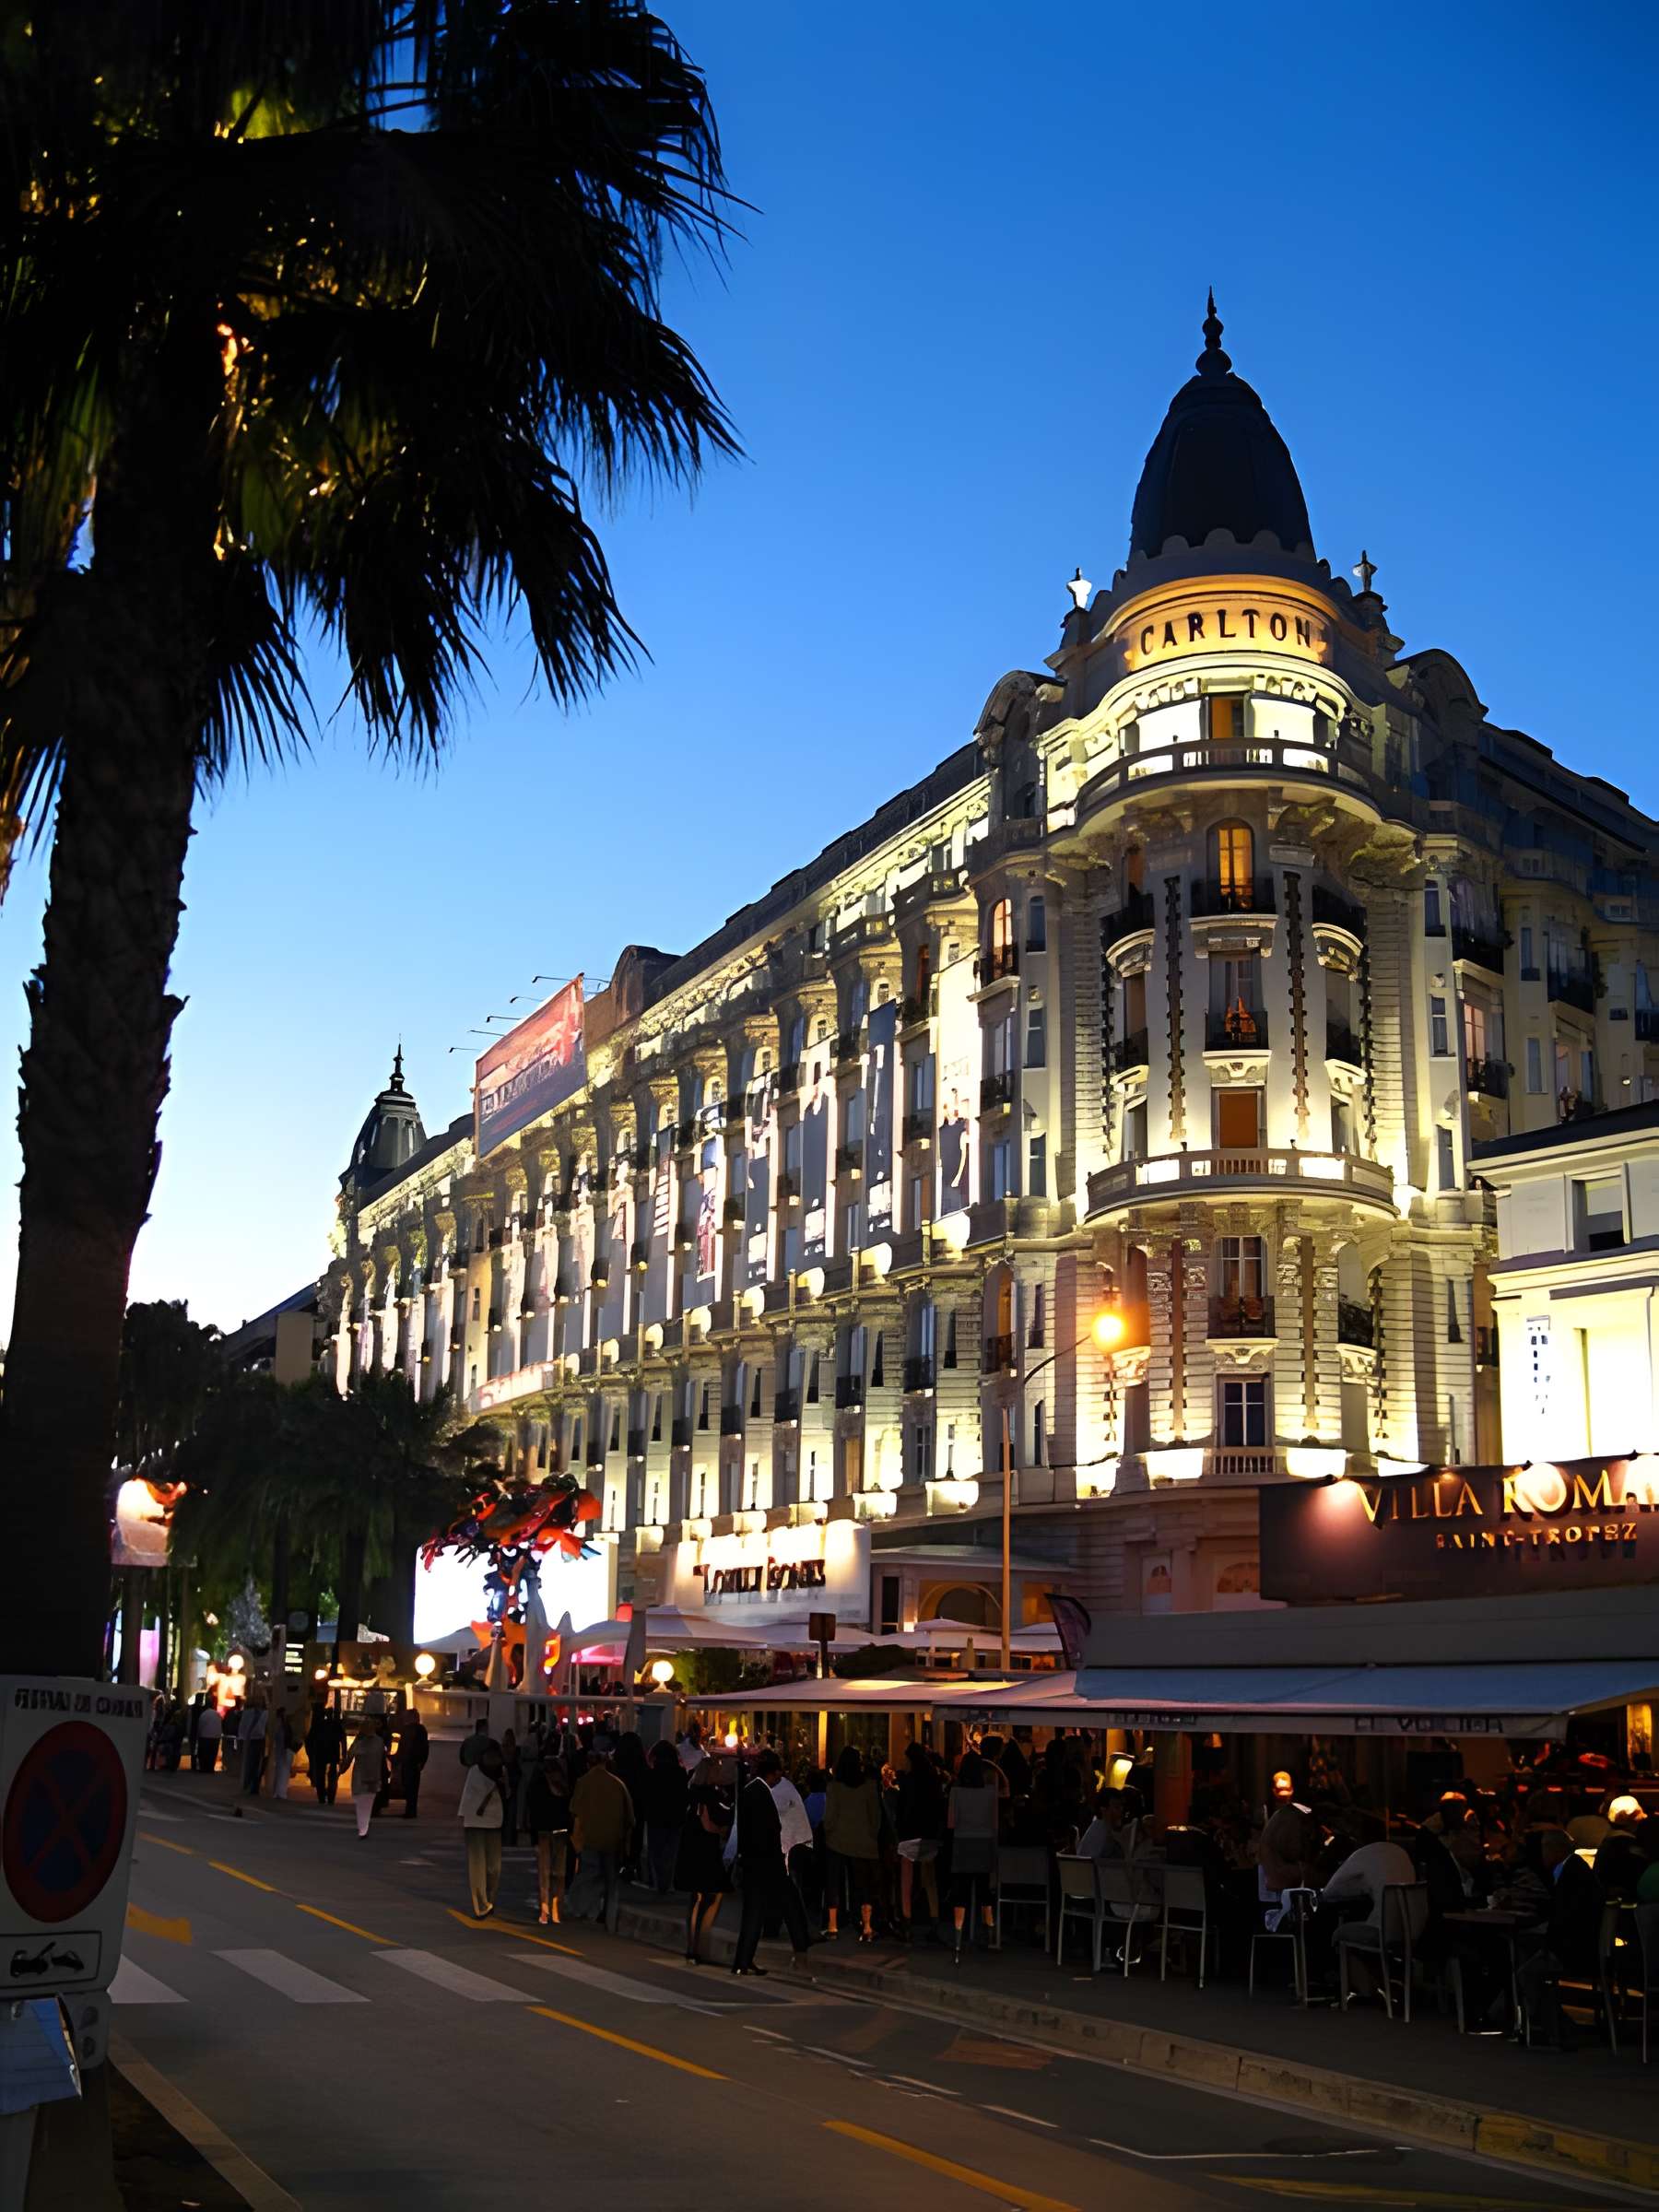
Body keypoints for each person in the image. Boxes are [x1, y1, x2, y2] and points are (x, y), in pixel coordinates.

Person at [1511, 1827, 1606, 2048]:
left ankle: (1552, 2027)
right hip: (1579, 1944)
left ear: (1554, 1849)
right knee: (1527, 1958)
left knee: (1527, 1972)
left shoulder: (1571, 1873)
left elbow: (1565, 1917)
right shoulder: (1574, 1869)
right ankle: (1549, 2024)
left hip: (1574, 1949)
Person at [732, 1750, 812, 1976]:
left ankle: (743, 1960)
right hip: (768, 1862)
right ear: (774, 1773)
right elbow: (769, 1829)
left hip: (754, 1862)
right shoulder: (761, 1792)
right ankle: (801, 1954)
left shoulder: (750, 1790)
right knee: (789, 1906)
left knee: (754, 1913)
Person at [568, 1750, 635, 1933]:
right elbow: (630, 1819)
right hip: (613, 1840)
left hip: (590, 1839)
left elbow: (575, 1812)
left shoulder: (583, 1783)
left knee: (589, 1876)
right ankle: (609, 1920)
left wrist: (576, 1840)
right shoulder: (618, 1784)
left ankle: (586, 1911)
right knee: (611, 1881)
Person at [823, 1745, 883, 1943]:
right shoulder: (869, 1786)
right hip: (863, 1841)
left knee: (833, 1882)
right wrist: (872, 1834)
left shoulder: (834, 1787)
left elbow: (830, 1816)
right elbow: (875, 1816)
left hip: (837, 1840)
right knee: (864, 1885)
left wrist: (827, 1831)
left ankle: (832, 1925)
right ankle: (867, 1926)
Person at [677, 1759, 733, 1964]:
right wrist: (721, 1830)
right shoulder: (708, 1795)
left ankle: (694, 1946)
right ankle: (697, 1946)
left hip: (691, 1847)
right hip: (704, 1849)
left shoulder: (692, 1792)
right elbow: (707, 1823)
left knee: (697, 1898)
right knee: (707, 1897)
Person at [947, 1748, 999, 1956]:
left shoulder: (956, 1792)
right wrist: (995, 1767)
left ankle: (958, 1937)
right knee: (984, 1890)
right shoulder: (990, 1792)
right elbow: (995, 1823)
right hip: (984, 1843)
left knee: (961, 1891)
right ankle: (990, 1933)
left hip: (963, 1843)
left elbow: (951, 1823)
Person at [895, 1742, 945, 1937]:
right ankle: (935, 1920)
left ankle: (907, 1921)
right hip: (930, 1833)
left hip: (910, 1833)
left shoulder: (908, 1781)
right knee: (930, 1880)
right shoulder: (934, 1779)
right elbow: (939, 1807)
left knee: (906, 1880)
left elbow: (902, 1808)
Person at [459, 1741, 508, 1917]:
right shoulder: (475, 1772)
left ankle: (489, 1900)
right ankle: (481, 1905)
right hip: (474, 1821)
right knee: (478, 1866)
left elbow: (508, 1794)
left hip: (494, 1821)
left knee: (494, 1867)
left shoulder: (502, 1772)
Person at [524, 1749, 572, 1924]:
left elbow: (533, 1813)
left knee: (548, 1874)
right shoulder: (562, 1787)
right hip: (555, 1833)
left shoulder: (539, 1786)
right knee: (555, 1874)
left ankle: (548, 1910)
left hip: (549, 1834)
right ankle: (553, 1911)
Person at [642, 1739, 689, 1893]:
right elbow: (684, 1796)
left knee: (656, 1851)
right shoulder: (680, 1773)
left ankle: (658, 1882)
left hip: (656, 1817)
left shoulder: (651, 1773)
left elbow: (647, 1797)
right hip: (676, 1817)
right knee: (671, 1852)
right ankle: (667, 1882)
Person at [347, 1718, 388, 1840]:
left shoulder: (360, 1742)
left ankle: (363, 1830)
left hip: (361, 1778)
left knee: (361, 1805)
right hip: (374, 1777)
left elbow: (351, 1754)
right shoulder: (379, 1742)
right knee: (367, 1805)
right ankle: (363, 1828)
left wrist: (343, 1768)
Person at [306, 1702, 344, 1806]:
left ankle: (322, 1797)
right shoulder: (336, 1725)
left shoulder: (319, 1725)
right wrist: (343, 1754)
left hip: (321, 1753)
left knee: (321, 1775)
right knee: (331, 1775)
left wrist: (311, 1753)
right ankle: (330, 1797)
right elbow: (343, 1739)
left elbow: (310, 1740)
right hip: (332, 1753)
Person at [396, 1711, 430, 1819]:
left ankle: (411, 1811)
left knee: (411, 1786)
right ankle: (410, 1810)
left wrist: (421, 1761)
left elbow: (423, 1747)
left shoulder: (417, 1730)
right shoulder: (414, 1729)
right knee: (409, 1786)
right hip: (410, 1762)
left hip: (412, 1762)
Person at [500, 1728, 523, 1847]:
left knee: (504, 1816)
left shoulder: (502, 1753)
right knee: (511, 1817)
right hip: (512, 1788)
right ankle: (510, 1841)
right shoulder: (516, 1753)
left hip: (505, 1789)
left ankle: (505, 1840)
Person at [239, 1699, 267, 1796]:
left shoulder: (248, 1714)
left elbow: (243, 1727)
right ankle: (252, 1786)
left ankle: (250, 1785)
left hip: (251, 1740)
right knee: (256, 1765)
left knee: (251, 1764)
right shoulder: (262, 1714)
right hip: (258, 1741)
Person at [195, 1698, 222, 1773]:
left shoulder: (203, 1714)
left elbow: (200, 1726)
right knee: (212, 1754)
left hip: (205, 1737)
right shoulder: (217, 1714)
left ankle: (204, 1768)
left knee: (204, 1754)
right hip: (215, 1737)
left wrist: (198, 1735)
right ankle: (210, 1768)